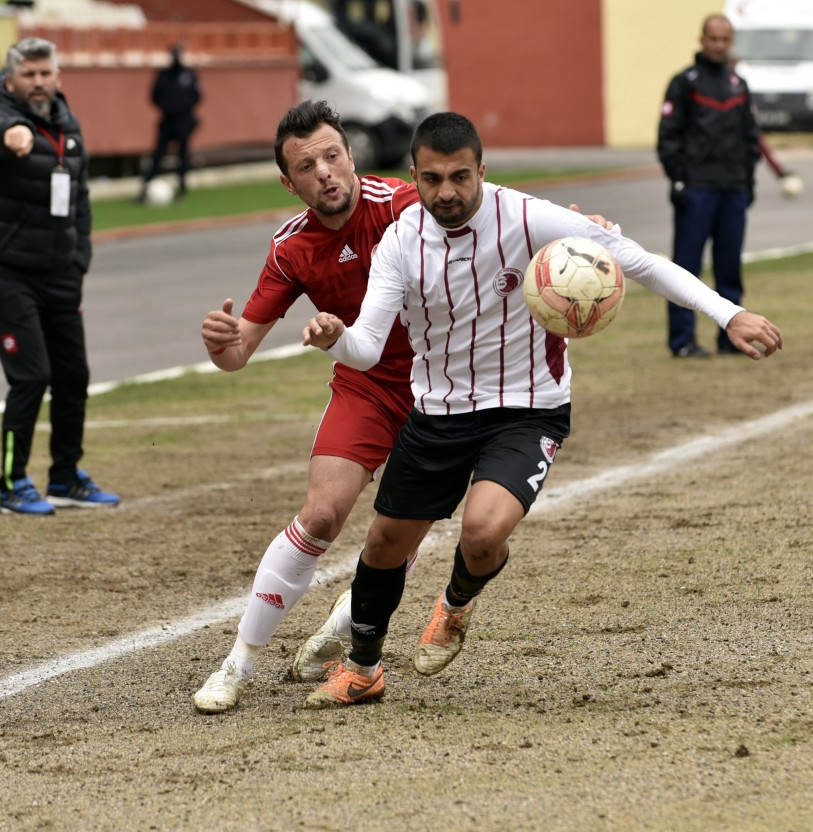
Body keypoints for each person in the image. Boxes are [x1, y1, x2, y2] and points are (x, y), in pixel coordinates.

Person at [298, 111, 783, 708]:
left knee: (482, 533)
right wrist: (336, 337)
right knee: (384, 545)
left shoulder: (530, 217)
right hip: (439, 412)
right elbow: (367, 348)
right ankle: (363, 670)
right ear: (413, 177)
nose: (446, 192)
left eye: (459, 177)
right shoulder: (400, 241)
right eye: (431, 180)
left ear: (482, 170)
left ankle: (453, 605)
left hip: (528, 408)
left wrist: (727, 313)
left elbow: (640, 261)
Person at [190, 100, 611, 714]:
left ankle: (353, 632)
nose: (325, 173)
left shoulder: (408, 201)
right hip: (366, 385)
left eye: (333, 155)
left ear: (352, 155)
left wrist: (579, 230)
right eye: (307, 167)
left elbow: (493, 208)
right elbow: (238, 354)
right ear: (289, 183)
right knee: (322, 515)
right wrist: (221, 345)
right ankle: (239, 663)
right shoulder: (290, 250)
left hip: (439, 384)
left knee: (408, 522)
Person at [0, 37, 120, 515]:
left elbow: (78, 197)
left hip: (60, 273)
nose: (38, 83)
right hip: (8, 271)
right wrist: (12, 134)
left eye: (44, 73)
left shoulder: (65, 121)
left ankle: (64, 477)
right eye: (28, 75)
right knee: (32, 375)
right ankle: (12, 483)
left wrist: (79, 259)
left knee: (74, 376)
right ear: (11, 79)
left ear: (58, 76)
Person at [657, 14, 761, 359]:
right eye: (713, 39)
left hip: (732, 189)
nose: (718, 45)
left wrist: (748, 183)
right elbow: (668, 137)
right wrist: (679, 179)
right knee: (686, 268)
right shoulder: (684, 83)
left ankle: (730, 337)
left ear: (730, 42)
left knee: (729, 267)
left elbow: (750, 139)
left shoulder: (738, 84)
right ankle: (683, 340)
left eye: (724, 40)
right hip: (697, 188)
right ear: (702, 40)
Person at [137, 45, 200, 203]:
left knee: (183, 156)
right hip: (167, 120)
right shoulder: (163, 75)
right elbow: (154, 96)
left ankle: (182, 189)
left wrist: (183, 107)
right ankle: (145, 188)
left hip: (183, 120)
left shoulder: (189, 74)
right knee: (157, 156)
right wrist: (167, 107)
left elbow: (197, 95)